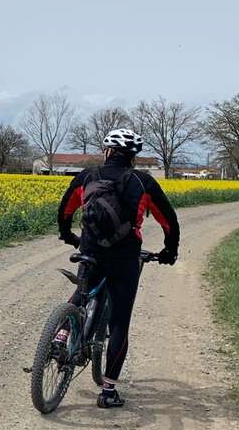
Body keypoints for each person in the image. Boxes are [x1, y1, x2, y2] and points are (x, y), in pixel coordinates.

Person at [55, 128, 180, 408]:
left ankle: (60, 337)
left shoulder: (87, 176)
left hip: (90, 249)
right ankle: (109, 392)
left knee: (81, 293)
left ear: (107, 151)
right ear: (133, 156)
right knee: (120, 322)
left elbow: (65, 211)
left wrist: (68, 235)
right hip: (124, 257)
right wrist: (169, 252)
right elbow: (169, 222)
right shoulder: (143, 181)